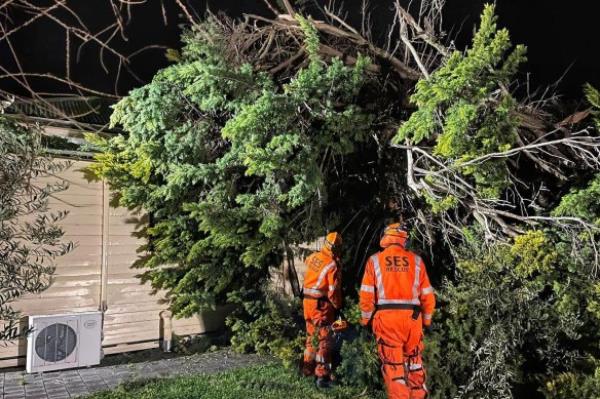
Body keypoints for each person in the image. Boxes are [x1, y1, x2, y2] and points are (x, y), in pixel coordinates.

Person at [359, 223, 435, 399]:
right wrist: (427, 322)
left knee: (395, 370)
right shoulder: (416, 261)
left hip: (387, 320)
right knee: (414, 365)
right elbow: (428, 297)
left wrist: (365, 320)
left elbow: (366, 296)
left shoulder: (375, 260)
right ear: (403, 239)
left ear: (385, 237)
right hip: (413, 319)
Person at [302, 232, 343, 388]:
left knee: (311, 336)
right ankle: (322, 377)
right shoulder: (332, 264)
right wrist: (338, 306)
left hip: (307, 303)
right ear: (337, 248)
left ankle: (307, 369)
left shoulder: (313, 257)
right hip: (321, 306)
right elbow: (333, 291)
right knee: (324, 340)